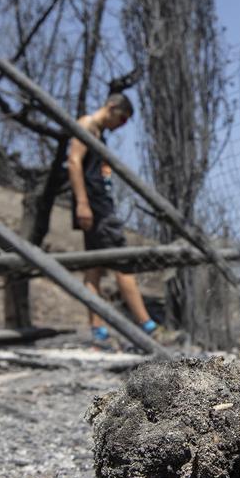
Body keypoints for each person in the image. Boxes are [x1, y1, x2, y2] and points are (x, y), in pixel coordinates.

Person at [67, 93, 165, 348]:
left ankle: (98, 332)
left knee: (94, 267)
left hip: (99, 204)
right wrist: (82, 202)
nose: (121, 125)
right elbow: (74, 162)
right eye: (121, 119)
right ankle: (148, 326)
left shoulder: (99, 133)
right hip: (96, 207)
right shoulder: (87, 125)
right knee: (123, 262)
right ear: (111, 107)